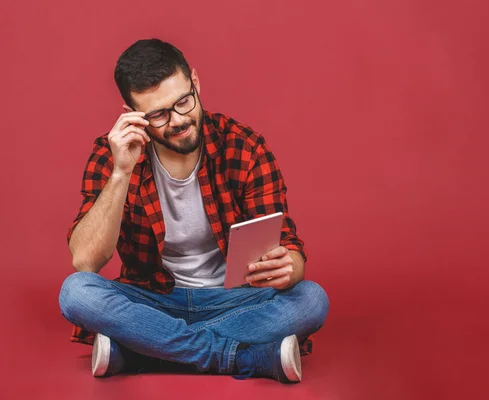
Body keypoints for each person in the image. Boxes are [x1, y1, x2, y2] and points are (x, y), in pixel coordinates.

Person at [58, 38, 329, 383]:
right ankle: (241, 357)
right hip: (153, 300)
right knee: (76, 292)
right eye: (158, 114)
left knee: (311, 299)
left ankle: (143, 349)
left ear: (196, 84)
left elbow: (291, 251)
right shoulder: (112, 155)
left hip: (233, 301)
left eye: (184, 101)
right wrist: (121, 172)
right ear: (132, 115)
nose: (178, 120)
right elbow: (85, 261)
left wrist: (289, 266)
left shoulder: (244, 147)